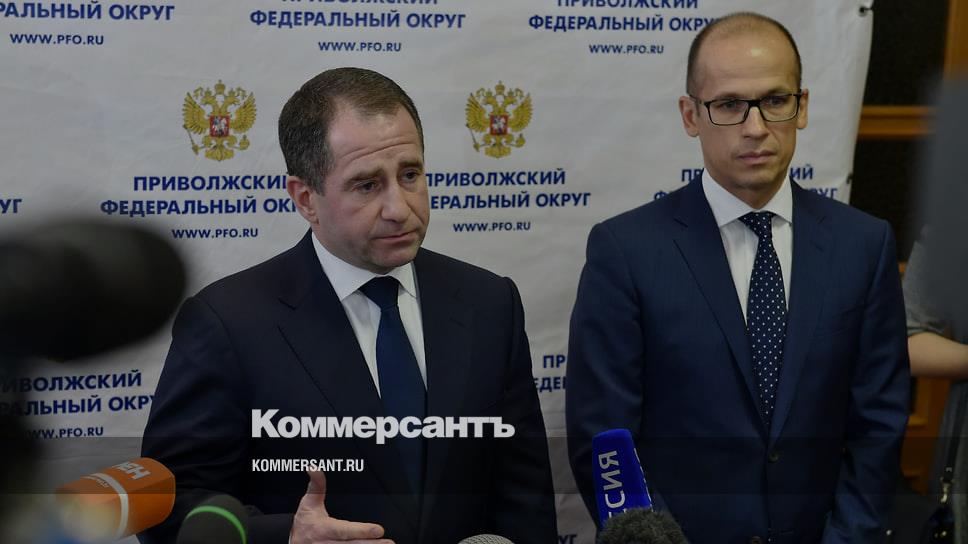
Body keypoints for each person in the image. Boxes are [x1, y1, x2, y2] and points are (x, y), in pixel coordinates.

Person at [140, 68, 556, 544]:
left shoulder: (490, 302)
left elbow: (525, 497)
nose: (400, 208)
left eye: (410, 174)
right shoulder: (227, 323)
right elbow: (168, 507)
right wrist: (287, 537)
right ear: (305, 198)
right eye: (366, 185)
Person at [566, 12, 909, 544]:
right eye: (729, 105)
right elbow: (605, 441)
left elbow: (879, 427)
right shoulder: (626, 251)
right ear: (691, 115)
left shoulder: (863, 245)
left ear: (802, 106)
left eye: (775, 100)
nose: (755, 127)